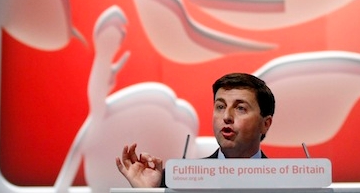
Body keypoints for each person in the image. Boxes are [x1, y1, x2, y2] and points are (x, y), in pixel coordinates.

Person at [115, 72, 275, 187]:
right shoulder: (174, 180)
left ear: (265, 124)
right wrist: (149, 192)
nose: (226, 116)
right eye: (220, 106)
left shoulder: (284, 179)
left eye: (240, 108)